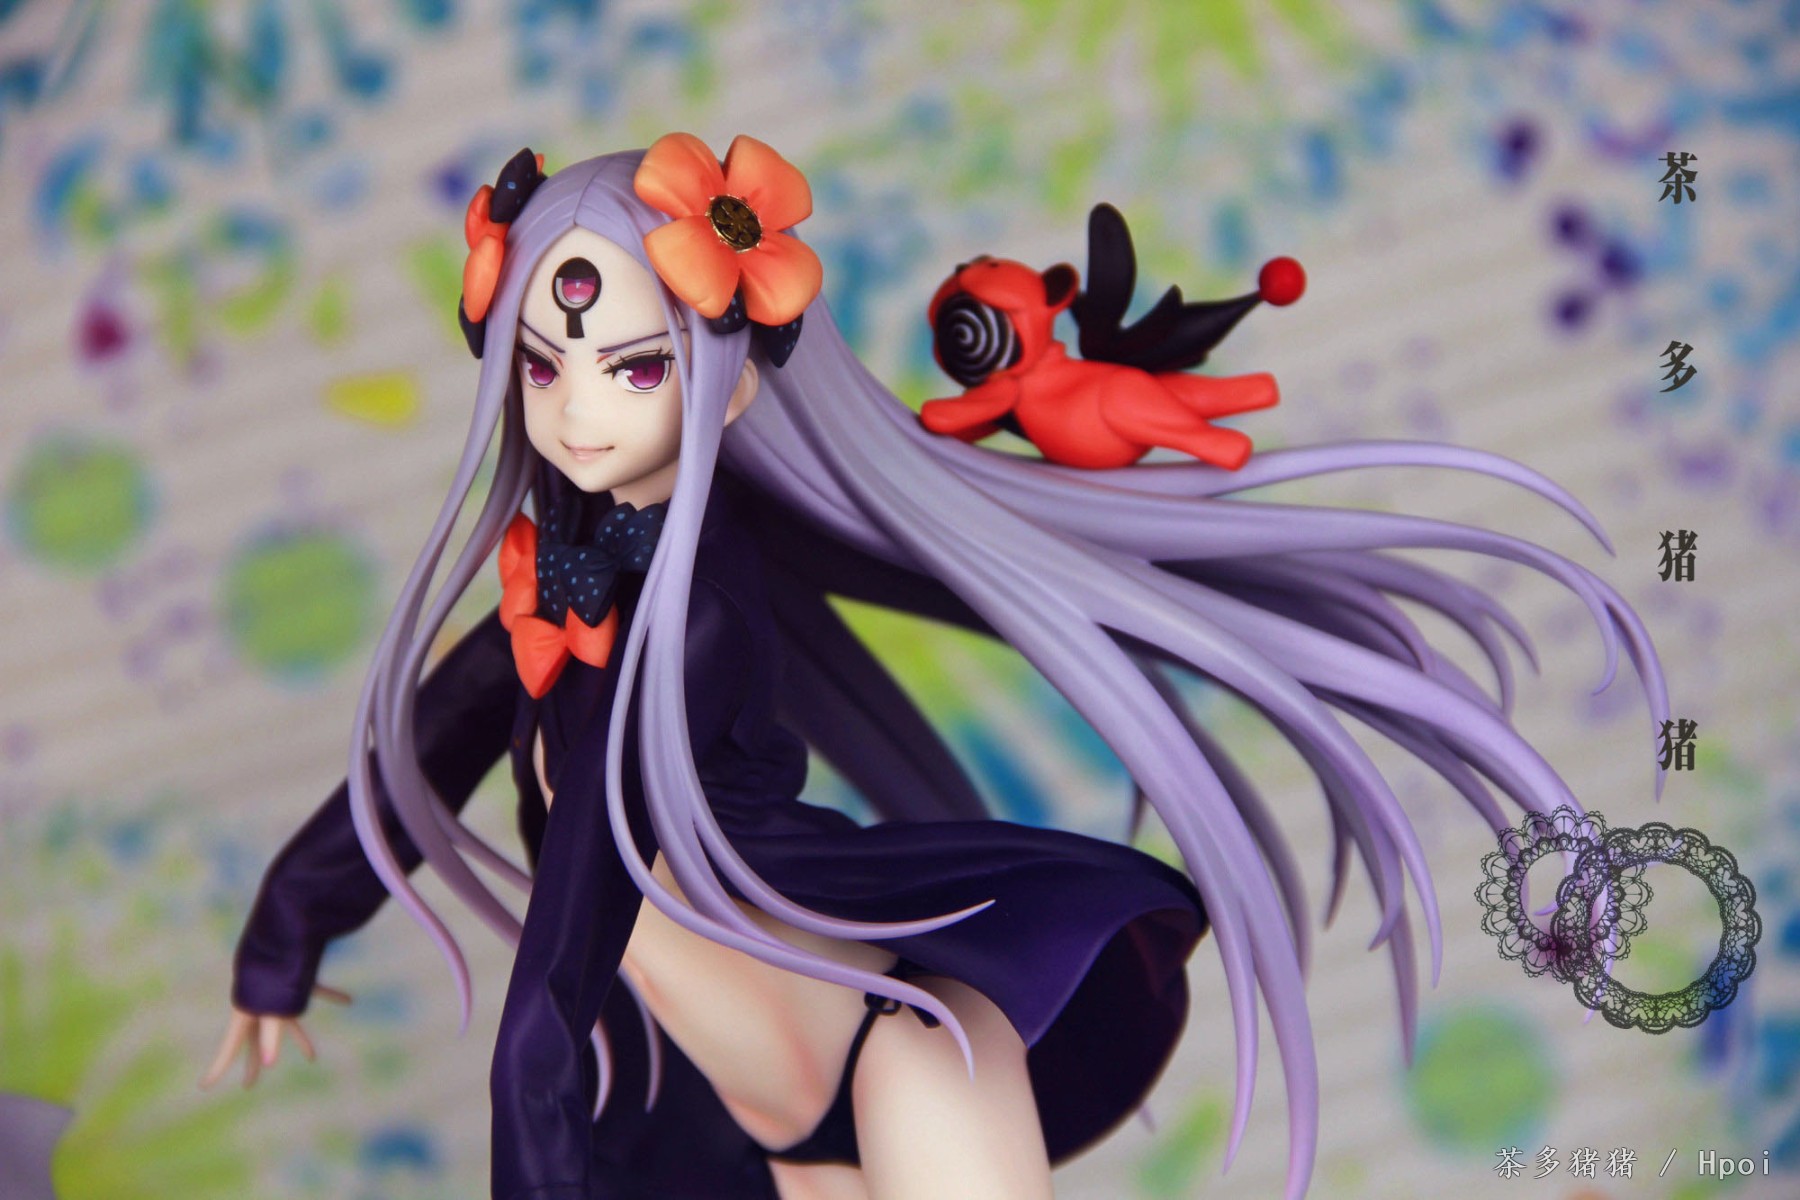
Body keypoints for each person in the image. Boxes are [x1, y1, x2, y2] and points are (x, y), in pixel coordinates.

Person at [202, 135, 1667, 1200]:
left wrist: (531, 1149)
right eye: (544, 363)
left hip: (897, 1055)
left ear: (726, 380)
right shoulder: (560, 588)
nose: (579, 410)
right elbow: (427, 748)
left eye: (635, 365)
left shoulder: (689, 619)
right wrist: (285, 938)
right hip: (771, 1135)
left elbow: (582, 904)